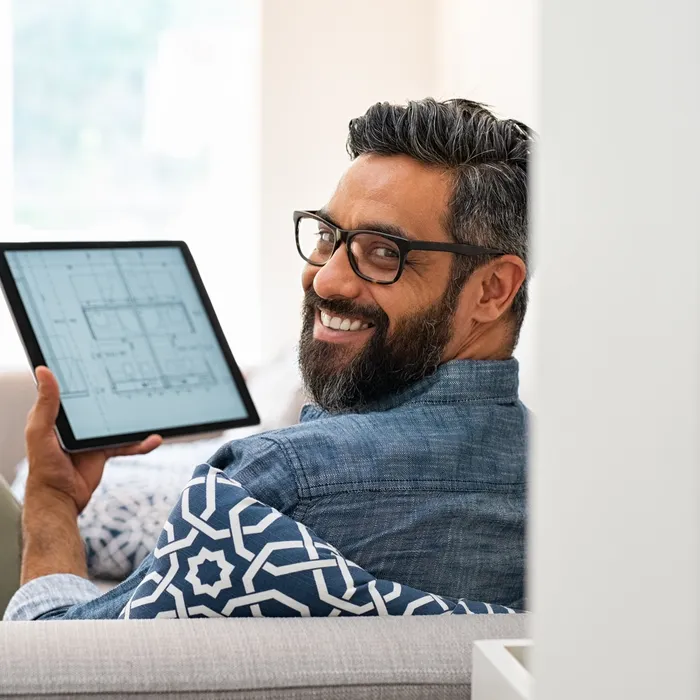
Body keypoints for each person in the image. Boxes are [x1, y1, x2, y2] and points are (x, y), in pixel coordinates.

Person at [3, 98, 532, 621]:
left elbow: (50, 661)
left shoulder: (271, 488)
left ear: (492, 289)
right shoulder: (572, 489)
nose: (324, 278)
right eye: (328, 236)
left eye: (382, 252)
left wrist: (50, 498)